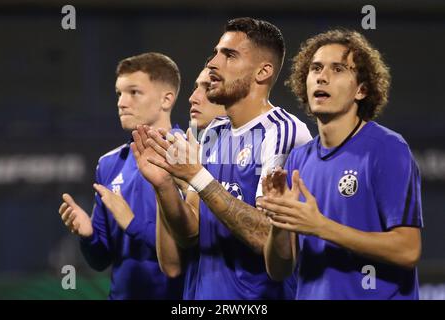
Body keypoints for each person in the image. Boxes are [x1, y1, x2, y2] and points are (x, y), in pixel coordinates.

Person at [132, 17, 312, 299]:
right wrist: (164, 186)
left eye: (229, 55)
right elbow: (190, 232)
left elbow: (269, 237)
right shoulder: (214, 132)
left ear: (263, 72)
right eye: (216, 53)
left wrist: (197, 176)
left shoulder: (284, 132)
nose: (213, 63)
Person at [259, 29, 423, 299]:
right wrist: (280, 221)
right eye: (315, 69)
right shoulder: (299, 159)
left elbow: (408, 250)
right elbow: (279, 270)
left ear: (361, 89)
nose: (322, 77)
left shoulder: (388, 149)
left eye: (337, 69)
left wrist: (321, 226)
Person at [57, 52, 184, 299]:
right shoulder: (108, 164)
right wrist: (89, 236)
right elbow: (100, 260)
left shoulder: (192, 158)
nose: (122, 102)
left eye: (134, 92)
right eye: (119, 93)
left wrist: (133, 224)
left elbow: (194, 251)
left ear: (166, 99)